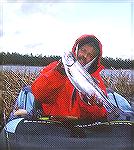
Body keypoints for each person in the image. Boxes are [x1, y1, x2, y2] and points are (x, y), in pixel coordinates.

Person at [31, 34, 107, 122]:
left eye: (90, 55)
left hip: (79, 128)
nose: (85, 56)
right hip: (52, 124)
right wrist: (58, 74)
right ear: (77, 49)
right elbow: (39, 95)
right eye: (83, 50)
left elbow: (101, 115)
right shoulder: (55, 68)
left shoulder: (96, 80)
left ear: (94, 60)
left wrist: (91, 105)